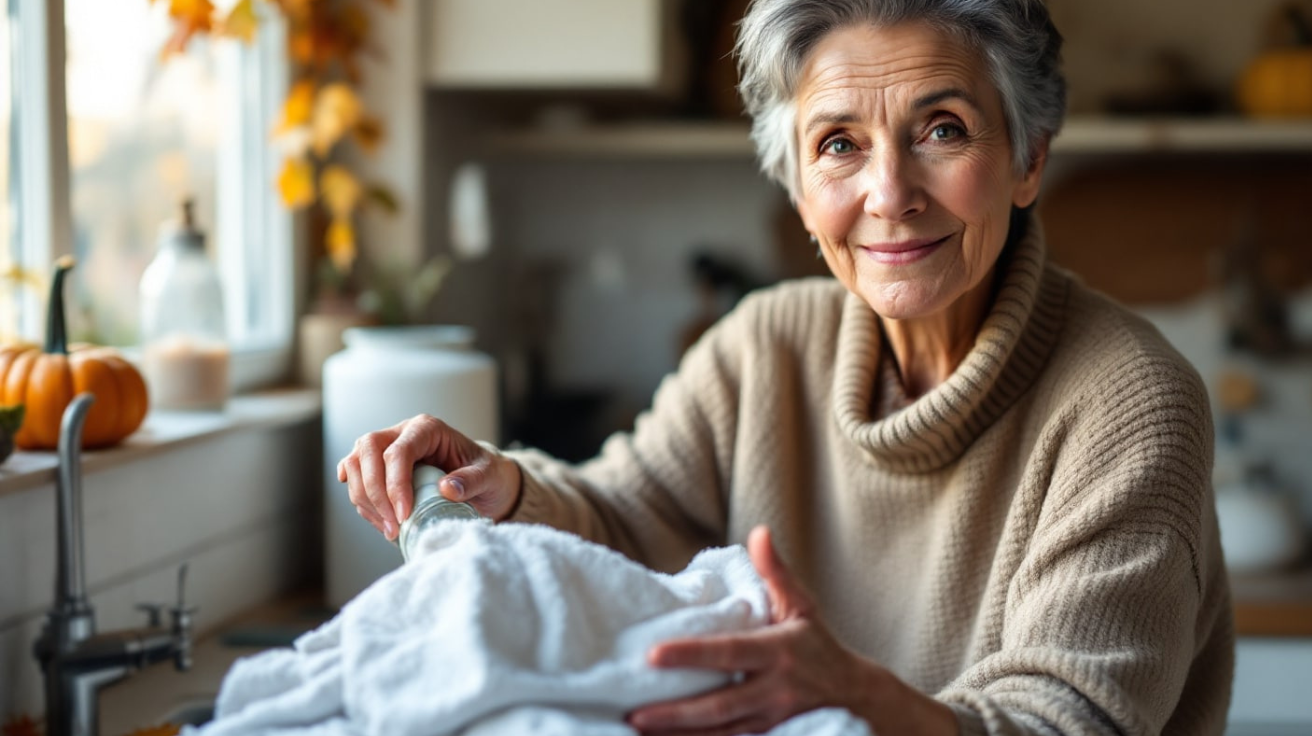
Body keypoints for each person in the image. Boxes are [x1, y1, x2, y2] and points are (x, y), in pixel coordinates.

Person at [337, 0, 1234, 733]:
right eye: (840, 144)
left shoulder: (1130, 401)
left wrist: (861, 696)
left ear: (1028, 159)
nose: (890, 193)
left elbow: (1070, 721)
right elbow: (626, 519)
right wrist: (503, 489)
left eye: (943, 129)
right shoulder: (761, 345)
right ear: (800, 190)